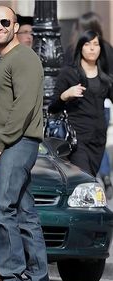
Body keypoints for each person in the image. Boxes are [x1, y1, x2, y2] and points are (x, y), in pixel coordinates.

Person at [0, 6, 50, 281]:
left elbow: (22, 107)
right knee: (25, 215)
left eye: (4, 22)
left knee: (1, 209)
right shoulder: (4, 59)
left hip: (17, 143)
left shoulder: (23, 58)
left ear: (14, 26)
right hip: (16, 143)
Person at [49, 30, 113, 177]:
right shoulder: (69, 74)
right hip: (78, 139)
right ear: (80, 48)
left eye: (96, 44)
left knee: (90, 179)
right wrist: (66, 95)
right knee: (84, 179)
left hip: (98, 139)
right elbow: (53, 107)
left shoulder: (105, 77)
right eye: (87, 44)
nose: (92, 48)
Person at [63, 12, 113, 198]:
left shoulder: (72, 50)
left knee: (88, 147)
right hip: (100, 107)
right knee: (94, 144)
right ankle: (101, 177)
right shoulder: (106, 48)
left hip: (81, 108)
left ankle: (89, 183)